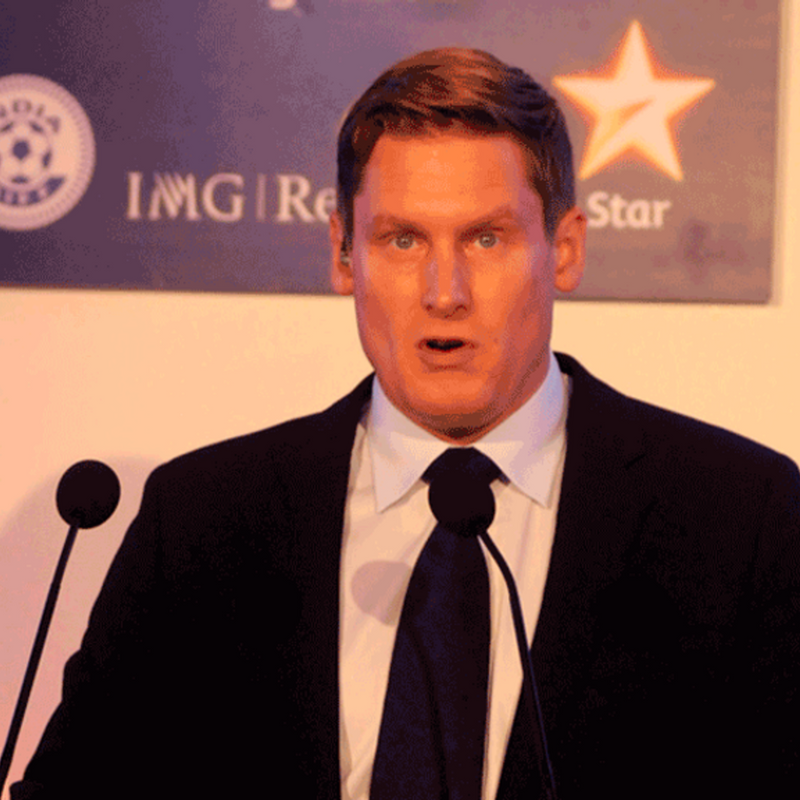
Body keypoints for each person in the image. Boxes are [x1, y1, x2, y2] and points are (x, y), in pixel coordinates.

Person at [11, 48, 800, 800]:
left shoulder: (740, 519)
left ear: (564, 250)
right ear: (343, 254)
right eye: (401, 239)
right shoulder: (203, 522)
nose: (444, 291)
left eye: (486, 238)